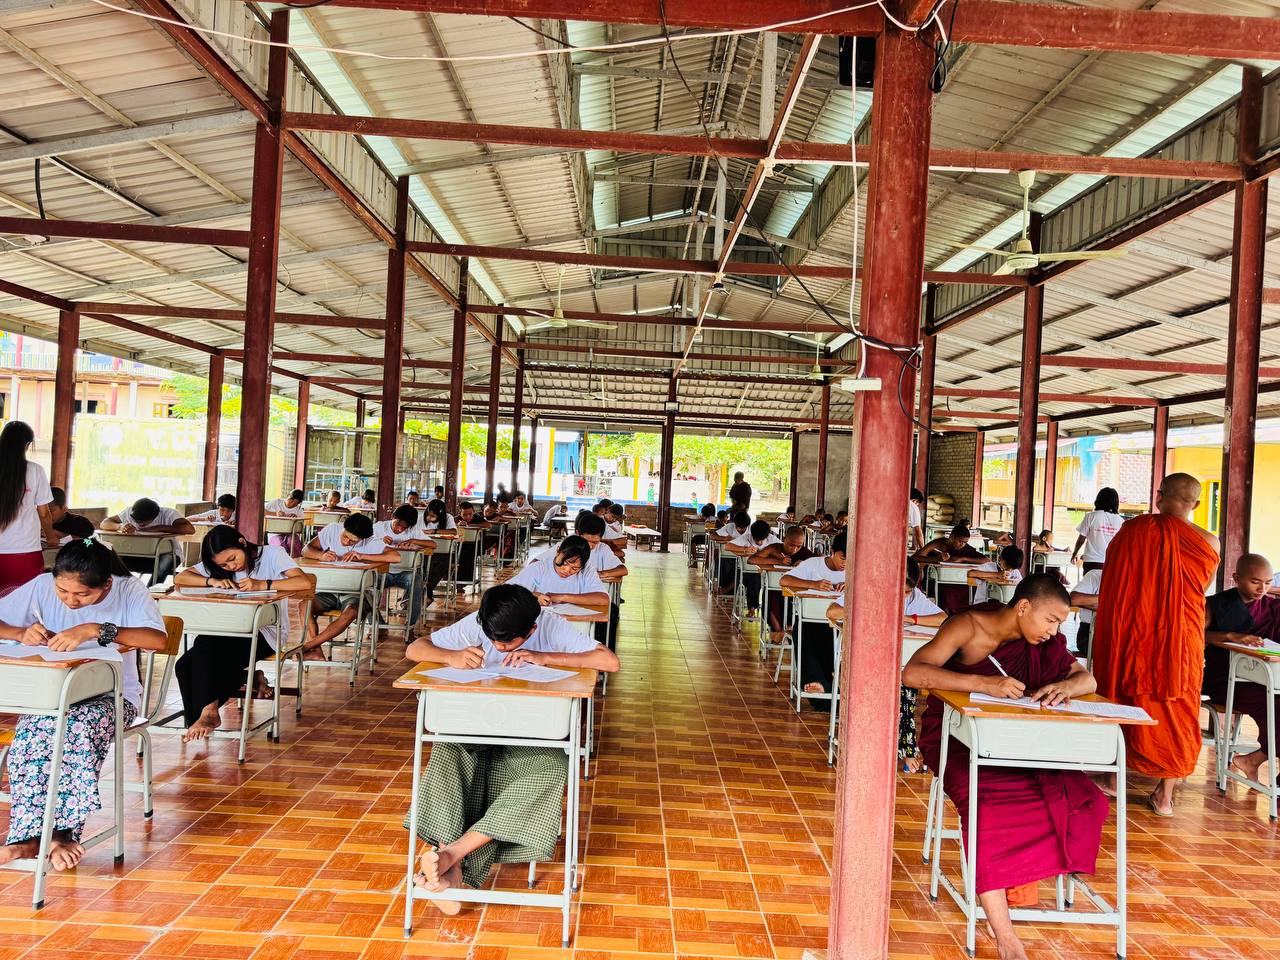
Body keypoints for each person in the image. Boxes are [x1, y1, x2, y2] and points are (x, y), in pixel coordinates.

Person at [905, 575, 1105, 960]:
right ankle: (1005, 936)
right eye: (1051, 620)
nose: (1054, 631)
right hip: (959, 738)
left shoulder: (1044, 644)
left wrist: (1066, 688)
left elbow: (1087, 679)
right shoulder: (969, 626)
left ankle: (1020, 877)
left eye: (1060, 624)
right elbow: (913, 673)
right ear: (1024, 607)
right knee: (988, 809)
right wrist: (983, 684)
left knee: (1084, 799)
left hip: (1018, 741)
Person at [406, 584, 619, 911]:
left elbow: (609, 661)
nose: (497, 647)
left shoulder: (550, 625)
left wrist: (545, 657)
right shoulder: (479, 623)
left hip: (531, 736)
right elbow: (415, 649)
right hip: (476, 727)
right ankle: (453, 868)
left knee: (552, 769)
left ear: (531, 630)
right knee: (447, 750)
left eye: (507, 644)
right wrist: (450, 656)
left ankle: (452, 854)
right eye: (492, 640)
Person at [0, 539, 167, 871]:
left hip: (115, 698)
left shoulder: (128, 590)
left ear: (106, 584)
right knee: (34, 728)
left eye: (82, 595)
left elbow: (158, 640)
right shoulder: (41, 586)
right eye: (62, 591)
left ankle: (59, 834)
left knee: (75, 726)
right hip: (55, 695)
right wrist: (19, 633)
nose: (70, 600)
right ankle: (29, 837)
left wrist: (95, 629)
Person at [1090, 473, 1219, 817]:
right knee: (1177, 703)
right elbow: (1197, 588)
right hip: (1180, 639)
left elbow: (1117, 582)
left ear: (1159, 496)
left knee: (1123, 693)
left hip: (1134, 632)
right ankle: (1164, 796)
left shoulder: (1132, 531)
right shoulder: (1208, 542)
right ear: (1196, 504)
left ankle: (1113, 777)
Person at [172, 526, 311, 740]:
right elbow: (181, 578)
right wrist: (212, 580)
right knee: (184, 664)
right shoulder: (220, 566)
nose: (231, 566)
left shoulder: (272, 554)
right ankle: (207, 712)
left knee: (205, 647)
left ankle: (208, 713)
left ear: (242, 542)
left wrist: (263, 584)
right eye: (224, 565)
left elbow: (304, 582)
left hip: (267, 632)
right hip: (229, 630)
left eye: (232, 558)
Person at [828, 558, 945, 772]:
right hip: (863, 662)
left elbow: (943, 619)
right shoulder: (867, 589)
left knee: (906, 685)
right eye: (898, 591)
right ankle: (893, 748)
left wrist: (911, 618)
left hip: (896, 664)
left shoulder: (914, 598)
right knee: (886, 690)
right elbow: (832, 612)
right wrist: (873, 612)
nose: (903, 596)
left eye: (907, 592)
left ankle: (905, 749)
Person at [1203, 553, 1280, 786]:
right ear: (1236, 578)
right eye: (1255, 582)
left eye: (1268, 583)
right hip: (1227, 681)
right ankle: (1254, 761)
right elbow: (1193, 635)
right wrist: (1230, 635)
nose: (1262, 589)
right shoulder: (1216, 605)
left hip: (1267, 679)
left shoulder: (1273, 607)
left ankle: (1254, 759)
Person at [301, 513, 401, 658]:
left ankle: (309, 646)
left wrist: (362, 556)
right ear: (343, 528)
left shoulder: (369, 542)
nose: (347, 542)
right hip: (330, 590)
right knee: (304, 605)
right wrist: (320, 555)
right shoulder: (333, 529)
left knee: (352, 611)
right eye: (345, 537)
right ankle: (316, 651)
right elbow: (306, 550)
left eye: (353, 541)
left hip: (355, 594)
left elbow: (396, 557)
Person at [779, 532, 847, 711]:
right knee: (804, 634)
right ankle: (820, 686)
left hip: (840, 627)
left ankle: (825, 688)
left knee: (833, 641)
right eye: (842, 558)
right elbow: (784, 580)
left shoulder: (855, 570)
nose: (845, 564)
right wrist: (813, 584)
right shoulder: (813, 564)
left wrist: (850, 587)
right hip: (810, 623)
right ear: (832, 551)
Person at [0, 420, 55, 592]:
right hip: (26, 549)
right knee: (28, 601)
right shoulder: (36, 471)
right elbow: (44, 513)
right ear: (26, 445)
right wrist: (51, 537)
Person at [101, 498, 195, 583]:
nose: (139, 523)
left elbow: (190, 529)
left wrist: (159, 528)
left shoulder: (168, 513)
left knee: (163, 566)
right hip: (136, 555)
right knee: (109, 561)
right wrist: (120, 526)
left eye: (143, 522)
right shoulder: (129, 512)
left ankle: (151, 592)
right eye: (136, 520)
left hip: (167, 555)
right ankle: (120, 590)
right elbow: (104, 523)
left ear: (155, 516)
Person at [375, 504, 438, 627]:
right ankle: (377, 623)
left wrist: (413, 541)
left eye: (404, 527)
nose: (400, 529)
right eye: (398, 524)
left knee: (417, 581)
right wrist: (379, 541)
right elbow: (362, 542)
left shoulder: (413, 530)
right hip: (382, 572)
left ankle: (411, 625)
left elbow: (433, 544)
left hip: (405, 573)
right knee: (365, 585)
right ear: (393, 517)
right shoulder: (379, 527)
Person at [509, 536, 609, 609]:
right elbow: (506, 592)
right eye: (564, 563)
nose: (567, 571)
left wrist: (562, 597)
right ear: (558, 551)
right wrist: (533, 595)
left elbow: (603, 599)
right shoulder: (539, 568)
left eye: (574, 569)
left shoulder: (586, 570)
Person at [914, 524, 988, 613]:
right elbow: (915, 557)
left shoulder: (966, 548)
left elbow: (986, 560)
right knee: (947, 591)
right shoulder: (938, 544)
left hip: (957, 579)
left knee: (970, 588)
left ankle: (959, 613)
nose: (962, 545)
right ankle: (946, 613)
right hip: (937, 578)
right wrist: (935, 559)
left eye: (965, 542)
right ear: (951, 537)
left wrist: (963, 558)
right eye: (960, 541)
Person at [762, 526, 814, 644]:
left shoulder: (806, 553)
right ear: (784, 539)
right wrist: (777, 561)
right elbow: (752, 559)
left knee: (795, 600)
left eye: (799, 546)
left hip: (794, 590)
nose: (794, 549)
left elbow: (817, 564)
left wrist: (804, 564)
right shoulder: (775, 548)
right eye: (791, 545)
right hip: (775, 586)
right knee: (771, 596)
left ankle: (785, 632)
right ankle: (778, 630)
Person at [726, 519, 781, 620]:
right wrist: (745, 549)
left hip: (768, 574)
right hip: (749, 572)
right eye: (757, 540)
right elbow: (728, 546)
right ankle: (752, 608)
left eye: (762, 540)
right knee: (754, 578)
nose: (759, 542)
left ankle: (771, 614)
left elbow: (784, 550)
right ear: (752, 535)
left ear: (767, 536)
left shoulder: (772, 539)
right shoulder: (747, 537)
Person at [1070, 487, 1123, 573]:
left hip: (1091, 562)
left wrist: (1074, 553)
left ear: (1098, 500)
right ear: (1116, 503)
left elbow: (1081, 540)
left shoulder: (1091, 517)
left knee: (1090, 581)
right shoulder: (1121, 521)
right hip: (1112, 562)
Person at [710, 511, 751, 593]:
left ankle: (727, 589)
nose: (741, 530)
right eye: (738, 527)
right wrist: (725, 538)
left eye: (743, 528)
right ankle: (724, 587)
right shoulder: (729, 527)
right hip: (730, 557)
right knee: (724, 561)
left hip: (745, 558)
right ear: (734, 524)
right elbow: (712, 536)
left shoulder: (751, 529)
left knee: (745, 571)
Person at [265, 489, 307, 555]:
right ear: (288, 496)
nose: (292, 504)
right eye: (291, 500)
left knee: (294, 543)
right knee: (280, 545)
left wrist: (296, 518)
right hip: (274, 534)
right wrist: (276, 514)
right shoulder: (276, 502)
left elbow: (301, 526)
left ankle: (295, 560)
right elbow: (262, 511)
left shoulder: (299, 510)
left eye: (295, 503)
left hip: (291, 534)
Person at [908, 488, 926, 553]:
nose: (917, 505)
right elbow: (918, 531)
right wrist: (923, 550)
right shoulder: (913, 507)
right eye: (918, 503)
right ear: (915, 500)